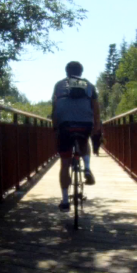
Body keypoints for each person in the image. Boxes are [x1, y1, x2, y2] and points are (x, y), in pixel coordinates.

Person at [51, 61, 101, 212]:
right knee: (84, 141)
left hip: (65, 125)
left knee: (64, 164)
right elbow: (96, 108)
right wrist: (96, 127)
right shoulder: (89, 86)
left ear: (66, 72)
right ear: (81, 72)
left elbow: (54, 107)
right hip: (84, 124)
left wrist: (55, 127)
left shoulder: (59, 85)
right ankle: (86, 168)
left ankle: (65, 201)